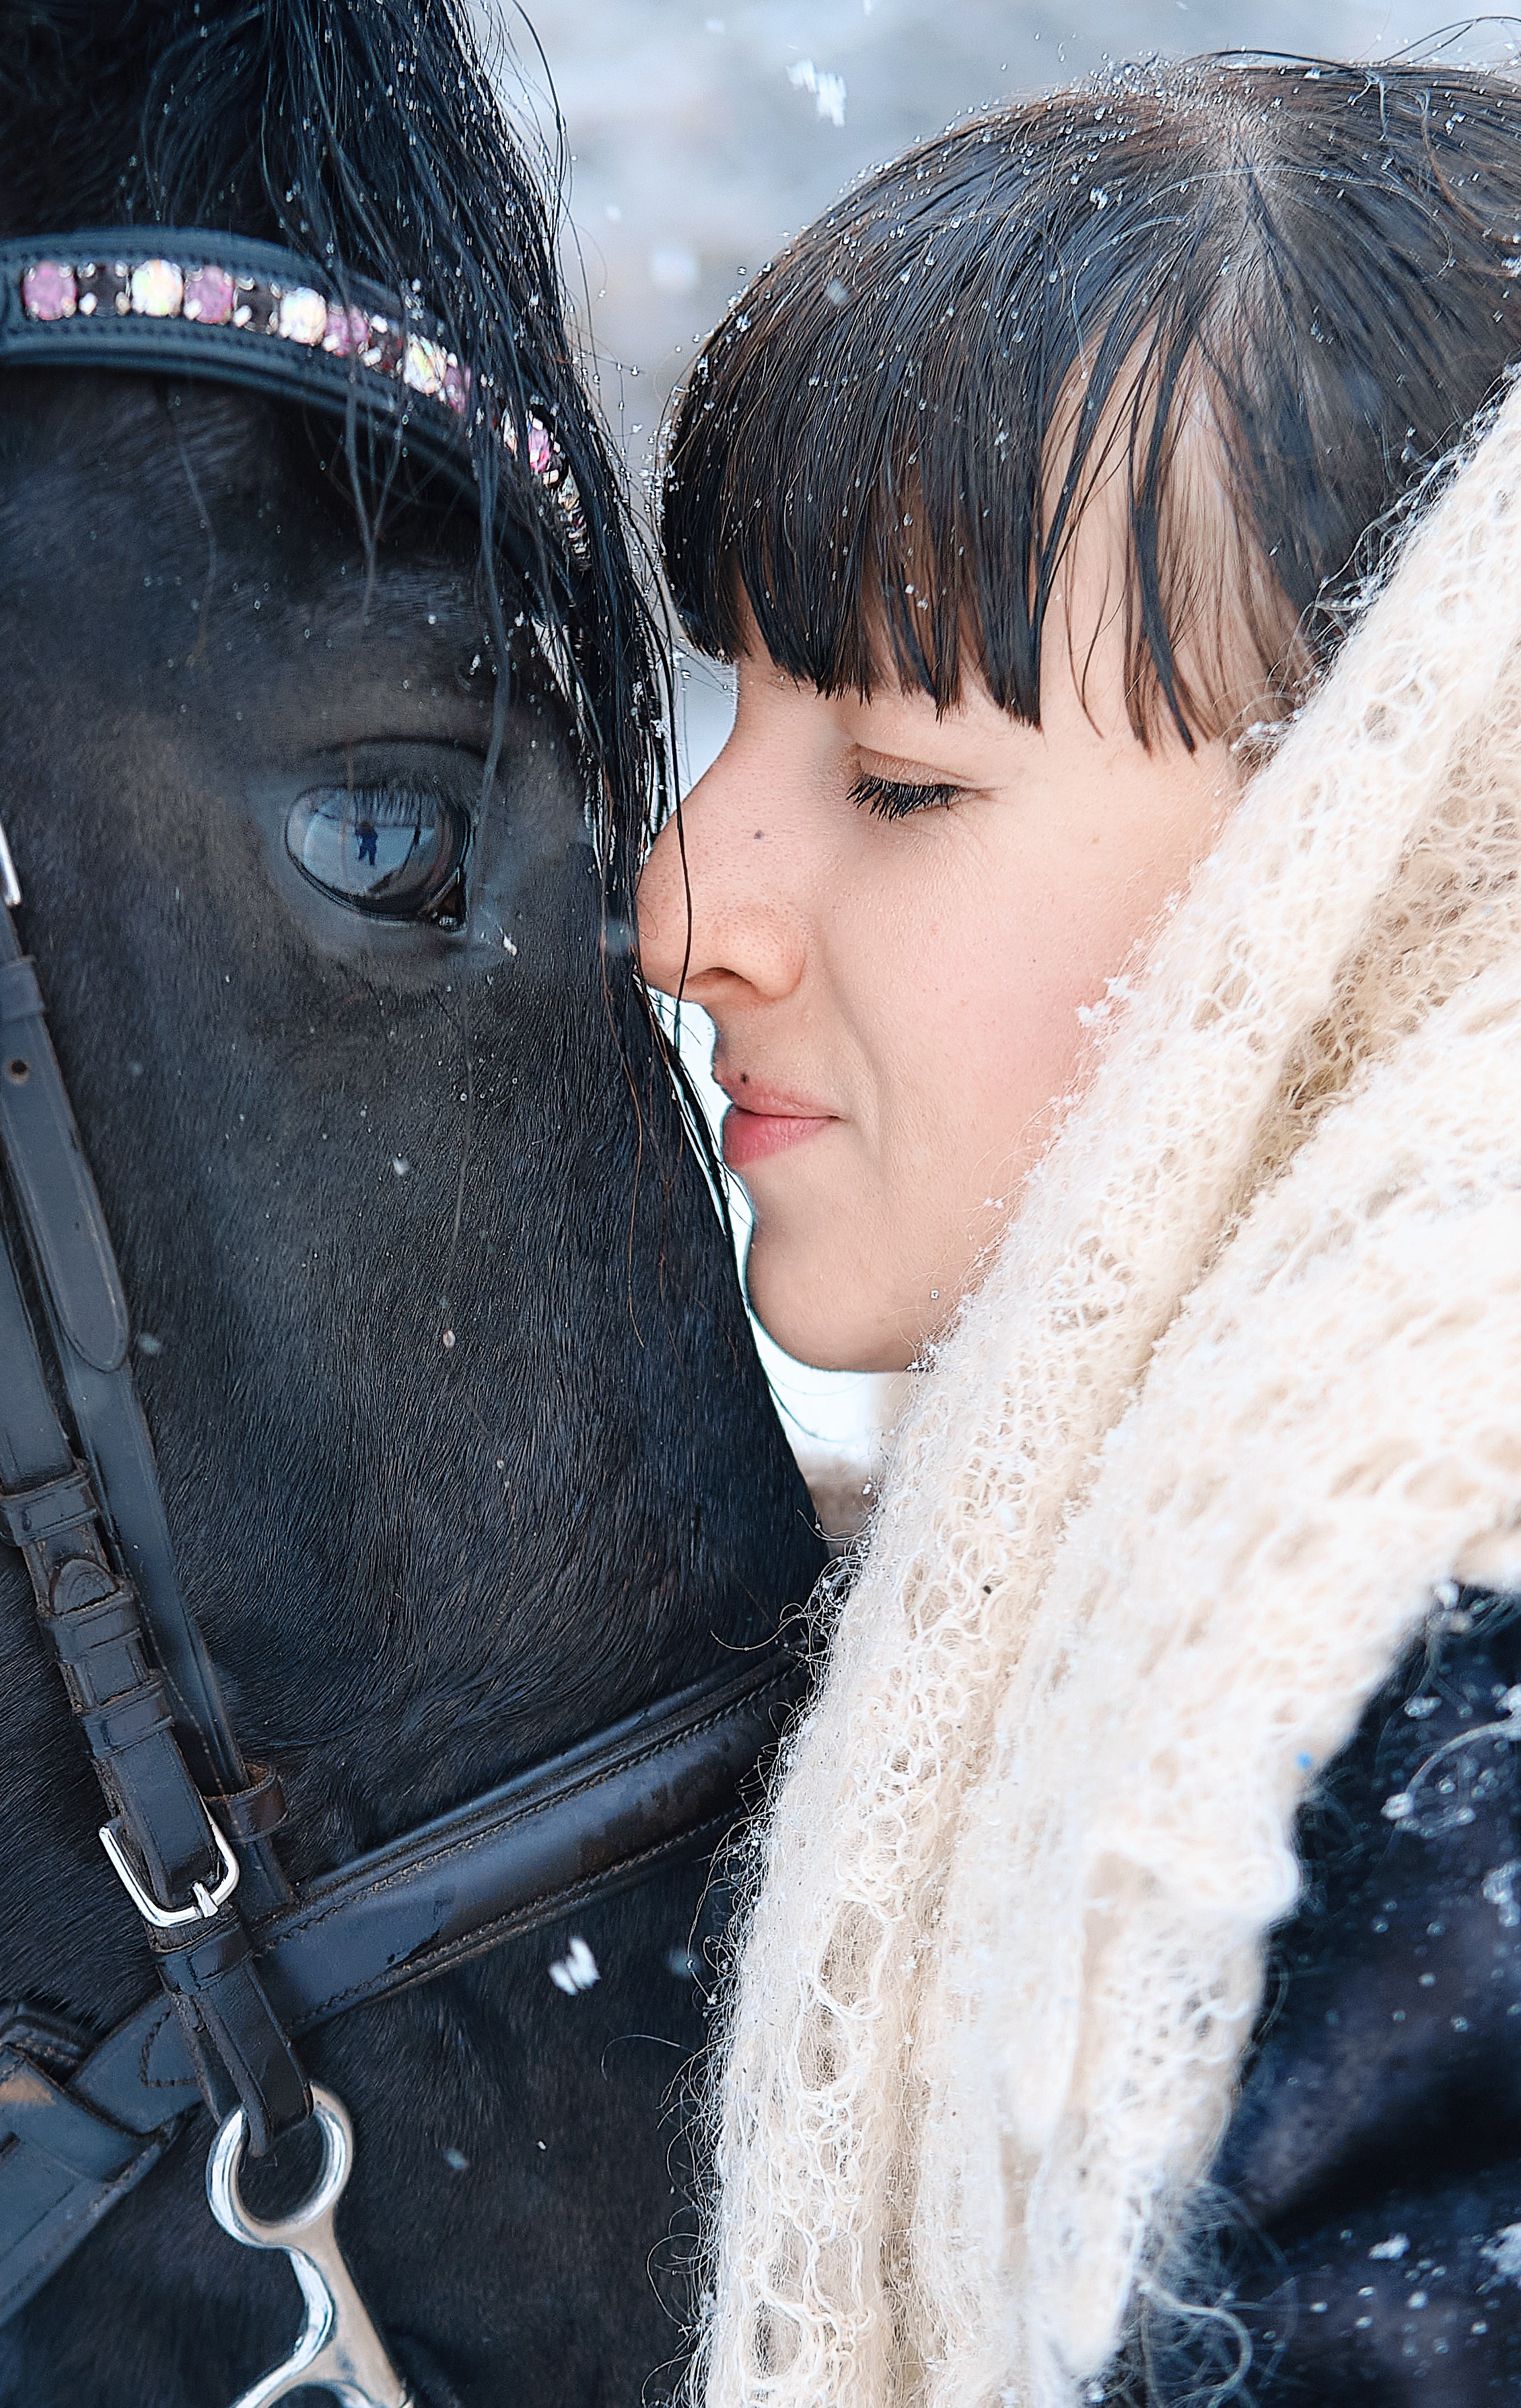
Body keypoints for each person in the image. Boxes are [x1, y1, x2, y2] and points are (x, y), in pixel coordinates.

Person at [637, 57, 1521, 2408]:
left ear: (1388, 843)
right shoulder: (1170, 1574)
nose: (682, 907)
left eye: (901, 781)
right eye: (730, 720)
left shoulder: (1453, 1721)